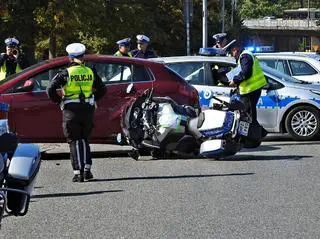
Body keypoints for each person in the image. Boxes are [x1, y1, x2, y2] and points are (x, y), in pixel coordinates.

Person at [46, 43, 106, 183]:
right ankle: (87, 170)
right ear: (82, 56)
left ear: (70, 58)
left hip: (71, 109)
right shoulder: (90, 71)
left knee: (74, 140)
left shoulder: (65, 73)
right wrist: (92, 99)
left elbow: (50, 89)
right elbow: (103, 89)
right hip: (87, 108)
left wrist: (59, 101)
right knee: (84, 138)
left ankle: (78, 173)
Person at [229, 44, 267, 128]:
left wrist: (235, 80)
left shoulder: (245, 56)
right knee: (248, 114)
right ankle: (256, 134)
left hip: (250, 90)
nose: (232, 55)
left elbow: (246, 73)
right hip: (250, 90)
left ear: (235, 49)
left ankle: (254, 136)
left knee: (248, 116)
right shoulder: (244, 56)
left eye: (231, 52)